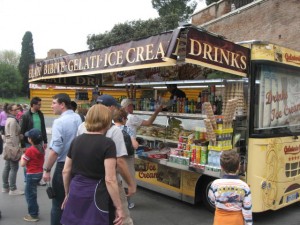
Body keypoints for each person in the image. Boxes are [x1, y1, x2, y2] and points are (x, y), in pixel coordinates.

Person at [77, 94, 136, 225]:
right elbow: (119, 162)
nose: (115, 111)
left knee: (93, 216)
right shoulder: (114, 131)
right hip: (109, 181)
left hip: (86, 182)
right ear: (109, 108)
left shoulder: (82, 127)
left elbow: (68, 167)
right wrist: (131, 184)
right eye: (115, 108)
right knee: (123, 218)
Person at [61, 104, 124, 225]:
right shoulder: (107, 144)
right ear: (106, 121)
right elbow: (110, 179)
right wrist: (119, 207)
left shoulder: (76, 141)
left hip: (76, 190)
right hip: (96, 194)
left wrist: (67, 194)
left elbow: (66, 170)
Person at [42, 93, 82, 225]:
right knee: (75, 202)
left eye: (54, 103)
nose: (52, 106)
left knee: (58, 204)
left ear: (62, 105)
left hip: (63, 166)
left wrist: (47, 169)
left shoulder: (59, 122)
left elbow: (55, 149)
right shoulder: (79, 118)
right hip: (79, 166)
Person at [208, 150, 253, 225]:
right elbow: (247, 209)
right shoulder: (244, 186)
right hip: (237, 221)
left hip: (220, 220)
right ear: (238, 166)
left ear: (221, 167)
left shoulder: (215, 184)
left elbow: (211, 200)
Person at [113, 108, 138, 209]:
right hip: (126, 157)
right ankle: (127, 202)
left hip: (112, 157)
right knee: (127, 179)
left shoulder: (109, 128)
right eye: (126, 119)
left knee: (114, 178)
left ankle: (114, 200)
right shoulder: (127, 129)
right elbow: (135, 145)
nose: (126, 120)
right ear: (123, 118)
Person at [20, 97, 48, 186]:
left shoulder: (40, 114)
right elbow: (22, 131)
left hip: (39, 141)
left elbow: (43, 128)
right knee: (28, 161)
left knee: (39, 160)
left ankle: (37, 179)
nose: (40, 106)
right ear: (33, 105)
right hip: (29, 141)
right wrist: (22, 145)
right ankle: (27, 179)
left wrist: (45, 141)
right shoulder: (25, 115)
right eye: (39, 104)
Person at [20, 128, 45, 222]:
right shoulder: (41, 148)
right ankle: (34, 211)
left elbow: (23, 164)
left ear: (30, 139)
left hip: (31, 174)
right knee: (32, 193)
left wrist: (23, 156)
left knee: (30, 195)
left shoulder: (30, 151)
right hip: (39, 173)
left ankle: (33, 214)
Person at [1, 103, 24, 195]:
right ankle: (13, 189)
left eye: (17, 109)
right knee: (14, 167)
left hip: (7, 144)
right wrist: (17, 148)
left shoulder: (8, 119)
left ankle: (5, 187)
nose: (17, 111)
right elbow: (13, 135)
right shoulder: (13, 120)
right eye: (15, 110)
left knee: (7, 167)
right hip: (12, 146)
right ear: (10, 111)